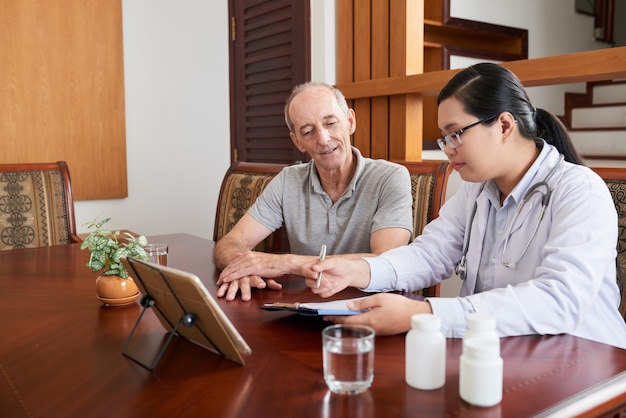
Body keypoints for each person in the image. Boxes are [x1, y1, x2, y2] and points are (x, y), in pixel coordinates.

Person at [304, 63, 626, 349]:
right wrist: (355, 270)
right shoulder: (476, 190)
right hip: (497, 352)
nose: (448, 150)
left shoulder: (579, 190)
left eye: (455, 134)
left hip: (581, 360)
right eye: (443, 138)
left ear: (503, 125)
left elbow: (559, 300)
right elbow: (429, 254)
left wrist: (423, 312)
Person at [214, 82, 414, 301]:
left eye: (331, 123)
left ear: (350, 121)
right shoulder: (288, 180)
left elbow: (386, 259)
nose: (323, 139)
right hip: (305, 306)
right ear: (297, 141)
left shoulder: (390, 177)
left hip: (370, 306)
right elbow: (229, 243)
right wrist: (242, 269)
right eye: (308, 131)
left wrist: (285, 263)